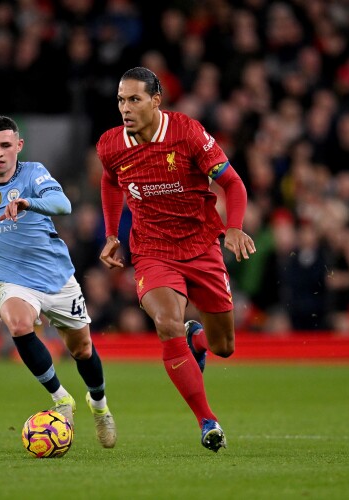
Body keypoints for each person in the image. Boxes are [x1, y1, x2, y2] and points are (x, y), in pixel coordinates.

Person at [0, 115, 116, 448]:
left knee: (82, 349)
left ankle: (99, 406)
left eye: (6, 145)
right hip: (12, 281)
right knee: (18, 324)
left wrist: (28, 202)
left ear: (19, 146)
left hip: (56, 277)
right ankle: (61, 399)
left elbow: (63, 204)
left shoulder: (33, 174)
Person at [97, 67, 256, 452]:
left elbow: (232, 183)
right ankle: (207, 421)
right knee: (167, 322)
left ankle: (196, 341)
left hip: (201, 247)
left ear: (156, 101)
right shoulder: (111, 145)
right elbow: (110, 180)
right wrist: (112, 234)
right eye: (121, 100)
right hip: (152, 250)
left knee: (224, 346)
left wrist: (234, 227)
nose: (125, 108)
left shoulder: (187, 133)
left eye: (134, 99)